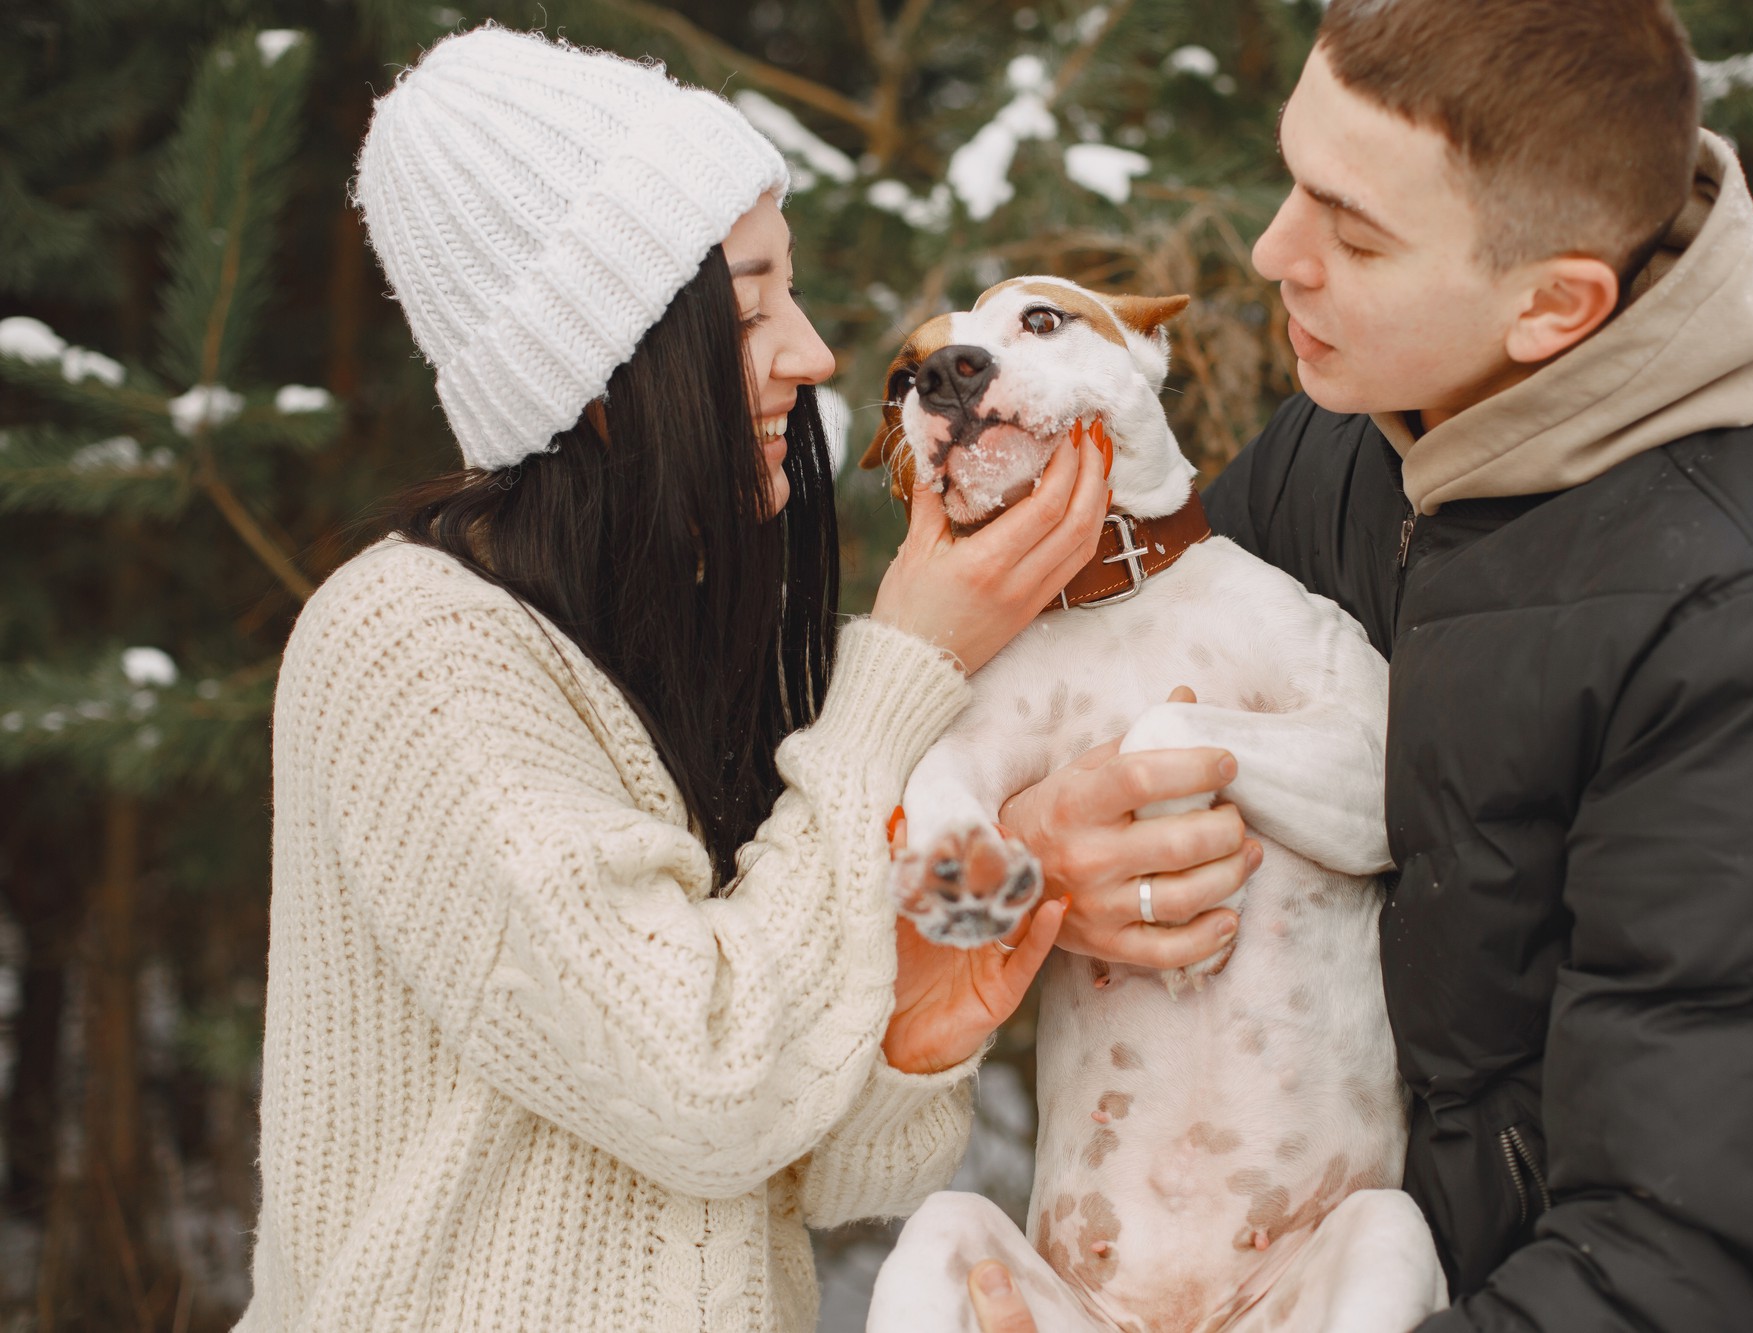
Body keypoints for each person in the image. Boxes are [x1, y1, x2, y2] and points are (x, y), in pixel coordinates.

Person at [976, 1, 1753, 1329]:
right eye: (1293, 184)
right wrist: (1053, 856)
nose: (1276, 254)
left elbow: (1680, 1276)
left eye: (1355, 231)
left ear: (1555, 306)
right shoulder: (1366, 434)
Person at [237, 26, 1243, 1332]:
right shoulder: (412, 646)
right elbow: (704, 1082)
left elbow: (830, 1163)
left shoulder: (654, 634)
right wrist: (909, 663)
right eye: (754, 302)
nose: (816, 350)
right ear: (603, 363)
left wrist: (912, 1017)